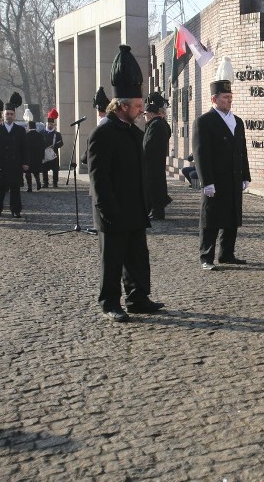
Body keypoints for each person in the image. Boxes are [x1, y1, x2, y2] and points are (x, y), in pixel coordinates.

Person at [88, 44, 164, 322]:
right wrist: (107, 208)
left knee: (137, 257)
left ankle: (138, 297)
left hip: (134, 207)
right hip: (113, 208)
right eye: (138, 106)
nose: (142, 111)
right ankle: (110, 302)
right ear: (122, 105)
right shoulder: (103, 133)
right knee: (112, 260)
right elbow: (99, 177)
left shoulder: (132, 130)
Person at [192, 57, 251, 271]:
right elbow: (201, 153)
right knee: (211, 219)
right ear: (214, 99)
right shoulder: (204, 122)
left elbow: (242, 151)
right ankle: (206, 256)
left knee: (232, 217)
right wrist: (206, 180)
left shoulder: (238, 121)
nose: (229, 100)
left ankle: (227, 253)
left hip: (233, 177)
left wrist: (246, 175)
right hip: (215, 178)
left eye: (231, 96)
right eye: (225, 97)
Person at [0, 93, 28, 217]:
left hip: (16, 164)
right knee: (0, 188)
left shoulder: (20, 130)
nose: (9, 115)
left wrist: (25, 162)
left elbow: (25, 148)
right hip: (1, 164)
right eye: (7, 113)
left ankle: (16, 210)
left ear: (14, 115)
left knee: (15, 189)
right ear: (3, 115)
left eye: (11, 113)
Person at [142, 92, 172, 220]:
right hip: (155, 162)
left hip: (153, 162)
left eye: (145, 114)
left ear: (151, 113)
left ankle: (157, 211)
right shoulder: (158, 123)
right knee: (154, 186)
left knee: (154, 187)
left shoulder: (156, 125)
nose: (144, 116)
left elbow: (149, 146)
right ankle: (153, 210)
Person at [41, 108, 64, 188]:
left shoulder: (57, 134)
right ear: (46, 124)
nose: (50, 125)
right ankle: (45, 183)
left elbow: (61, 143)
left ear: (54, 125)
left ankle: (55, 183)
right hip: (44, 154)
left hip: (54, 154)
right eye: (48, 124)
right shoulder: (42, 133)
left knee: (55, 170)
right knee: (44, 170)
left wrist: (56, 145)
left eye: (51, 124)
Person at [24, 121, 44, 191]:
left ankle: (30, 187)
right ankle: (38, 183)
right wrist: (42, 157)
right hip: (37, 157)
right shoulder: (40, 135)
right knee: (36, 172)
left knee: (28, 172)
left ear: (28, 127)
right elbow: (42, 147)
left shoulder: (26, 135)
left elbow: (23, 147)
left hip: (28, 157)